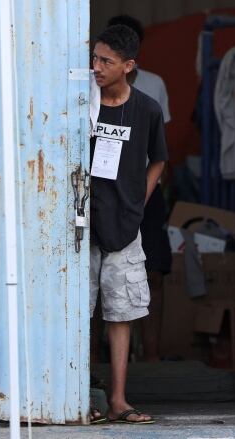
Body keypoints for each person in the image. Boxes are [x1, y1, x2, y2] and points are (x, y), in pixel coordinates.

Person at [88, 24, 167, 425]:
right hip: (81, 227)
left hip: (124, 225)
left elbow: (159, 159)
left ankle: (118, 400)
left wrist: (140, 199)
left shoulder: (148, 110)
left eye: (106, 61)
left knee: (120, 314)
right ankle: (81, 396)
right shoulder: (82, 103)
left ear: (129, 66)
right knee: (81, 312)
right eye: (95, 58)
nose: (96, 67)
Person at [107, 14, 172, 363]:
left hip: (144, 193)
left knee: (155, 271)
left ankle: (153, 356)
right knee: (97, 278)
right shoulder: (92, 88)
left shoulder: (153, 87)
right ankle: (93, 363)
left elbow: (161, 151)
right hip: (105, 196)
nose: (100, 65)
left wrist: (146, 197)